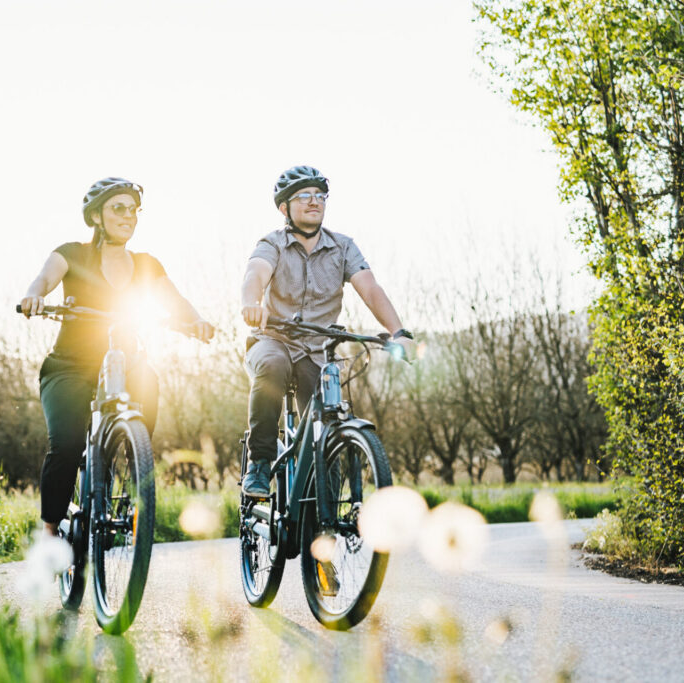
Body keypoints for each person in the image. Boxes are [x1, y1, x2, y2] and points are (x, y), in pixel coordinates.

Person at [21, 177, 214, 537]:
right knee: (66, 445)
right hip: (69, 368)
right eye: (119, 208)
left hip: (126, 366)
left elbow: (174, 302)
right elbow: (44, 280)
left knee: (148, 383)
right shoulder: (72, 253)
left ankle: (132, 461)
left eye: (134, 209)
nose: (129, 216)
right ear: (96, 216)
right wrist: (34, 295)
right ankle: (49, 531)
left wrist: (196, 320)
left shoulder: (145, 264)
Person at [239, 166, 415, 497]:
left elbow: (371, 289)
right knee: (272, 366)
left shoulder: (343, 247)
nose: (313, 202)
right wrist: (251, 302)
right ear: (284, 208)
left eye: (319, 196)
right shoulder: (272, 243)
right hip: (273, 340)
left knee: (326, 413)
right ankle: (260, 463)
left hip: (317, 349)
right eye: (303, 196)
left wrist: (398, 331)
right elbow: (255, 274)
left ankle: (326, 506)